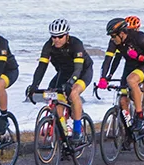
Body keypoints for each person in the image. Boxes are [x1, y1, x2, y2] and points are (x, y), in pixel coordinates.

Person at [27, 19, 94, 147]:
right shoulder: (48, 46)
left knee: (73, 93)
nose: (56, 39)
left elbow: (78, 68)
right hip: (63, 73)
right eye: (53, 37)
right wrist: (34, 85)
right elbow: (41, 67)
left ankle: (77, 130)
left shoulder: (76, 44)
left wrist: (71, 82)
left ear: (66, 35)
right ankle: (64, 133)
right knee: (54, 96)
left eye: (60, 36)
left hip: (82, 72)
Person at [98, 17, 144, 135]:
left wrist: (138, 57)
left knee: (133, 81)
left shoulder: (141, 38)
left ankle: (141, 117)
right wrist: (104, 77)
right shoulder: (114, 42)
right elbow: (108, 60)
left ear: (121, 34)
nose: (112, 39)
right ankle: (128, 132)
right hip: (131, 65)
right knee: (123, 98)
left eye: (113, 36)